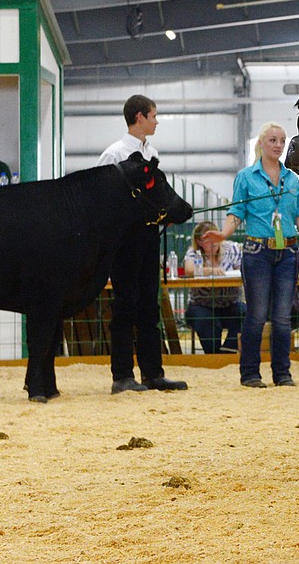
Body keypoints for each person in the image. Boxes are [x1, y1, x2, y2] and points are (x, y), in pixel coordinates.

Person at [97, 94, 188, 394]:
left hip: (149, 236)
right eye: (153, 116)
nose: (156, 121)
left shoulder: (152, 151)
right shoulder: (114, 154)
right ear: (139, 117)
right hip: (125, 240)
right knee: (125, 305)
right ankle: (121, 375)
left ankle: (153, 373)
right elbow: (104, 201)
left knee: (150, 305)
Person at [205, 122, 299, 389]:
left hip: (288, 253)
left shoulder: (293, 178)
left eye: (282, 141)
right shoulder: (246, 177)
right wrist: (223, 234)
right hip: (257, 251)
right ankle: (250, 373)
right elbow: (236, 213)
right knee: (257, 315)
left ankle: (282, 374)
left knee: (283, 318)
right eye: (273, 140)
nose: (278, 145)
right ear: (261, 144)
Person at [183, 220, 245, 355]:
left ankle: (228, 350)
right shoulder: (194, 252)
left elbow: (243, 270)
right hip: (201, 304)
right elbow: (188, 270)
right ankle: (213, 355)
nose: (213, 243)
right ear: (199, 242)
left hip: (229, 303)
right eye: (207, 240)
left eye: (215, 238)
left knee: (248, 313)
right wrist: (209, 270)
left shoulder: (232, 248)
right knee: (206, 321)